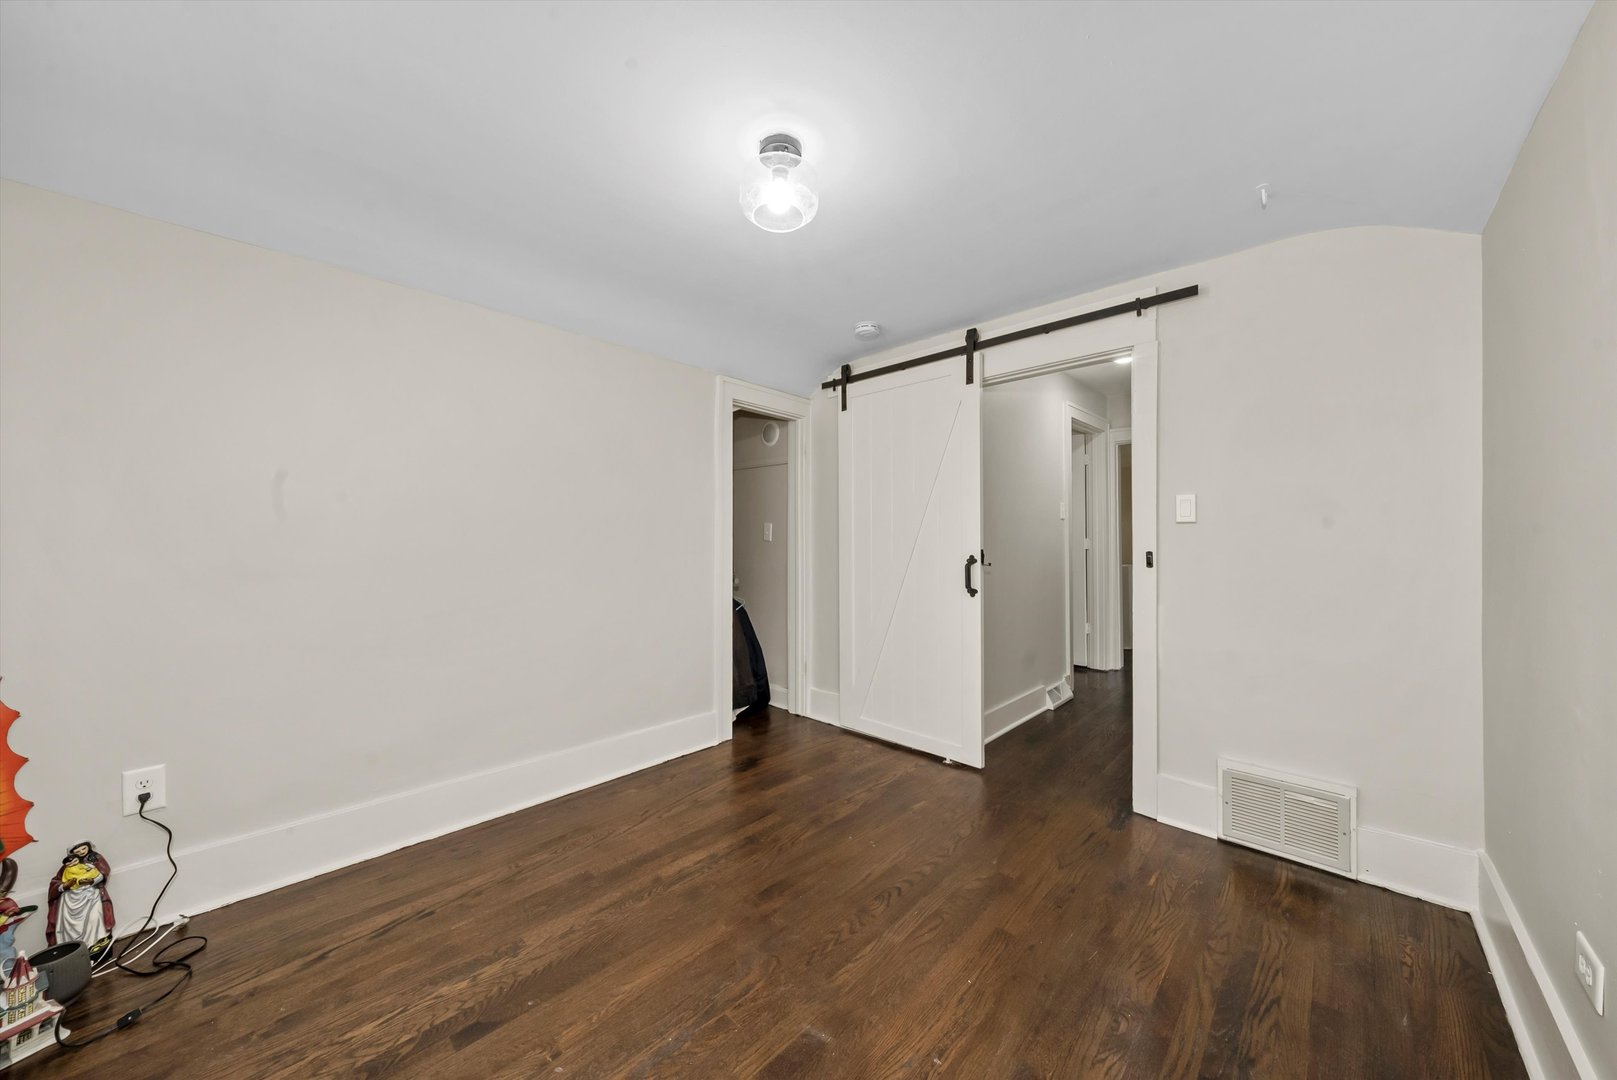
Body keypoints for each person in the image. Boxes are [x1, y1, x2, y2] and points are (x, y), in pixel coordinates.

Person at [46, 841, 115, 961]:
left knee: (95, 918)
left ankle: (96, 942)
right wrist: (64, 886)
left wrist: (91, 881)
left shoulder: (94, 861)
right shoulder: (65, 869)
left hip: (91, 896)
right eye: (77, 853)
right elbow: (56, 882)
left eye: (83, 849)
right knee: (69, 925)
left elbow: (102, 872)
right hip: (71, 899)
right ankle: (74, 948)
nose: (81, 853)